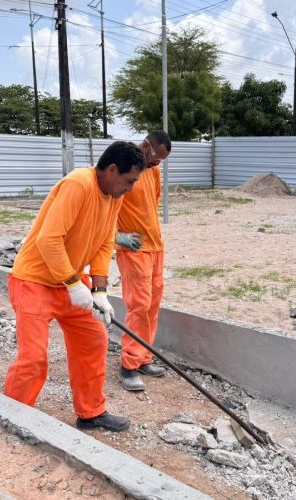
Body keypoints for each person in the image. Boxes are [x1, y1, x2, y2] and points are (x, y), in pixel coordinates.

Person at [4, 141, 146, 432]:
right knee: (33, 357)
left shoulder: (113, 195)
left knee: (94, 340)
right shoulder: (78, 184)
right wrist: (72, 283)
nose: (130, 189)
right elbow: (48, 239)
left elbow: (105, 242)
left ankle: (91, 412)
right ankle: (13, 416)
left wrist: (100, 290)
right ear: (112, 170)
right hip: (34, 281)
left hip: (70, 281)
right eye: (129, 181)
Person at [114, 131, 172, 391]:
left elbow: (152, 203)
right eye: (155, 159)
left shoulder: (154, 173)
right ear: (146, 146)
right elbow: (107, 207)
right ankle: (129, 365)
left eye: (160, 162)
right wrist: (119, 237)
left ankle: (144, 356)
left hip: (155, 247)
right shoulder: (124, 172)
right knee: (138, 305)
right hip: (134, 249)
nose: (156, 165)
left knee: (152, 305)